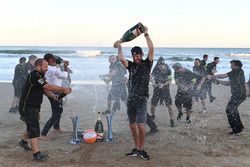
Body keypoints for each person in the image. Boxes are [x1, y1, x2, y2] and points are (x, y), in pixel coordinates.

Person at [18, 58, 72, 161]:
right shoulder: (34, 75)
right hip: (28, 106)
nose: (47, 69)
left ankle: (23, 142)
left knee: (31, 125)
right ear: (38, 66)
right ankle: (37, 155)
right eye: (45, 67)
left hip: (34, 106)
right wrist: (62, 89)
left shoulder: (41, 76)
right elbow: (48, 86)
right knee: (34, 129)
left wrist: (54, 97)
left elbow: (45, 89)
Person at [114, 26, 153, 160]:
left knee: (141, 126)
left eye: (138, 55)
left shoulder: (147, 64)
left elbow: (152, 49)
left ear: (141, 55)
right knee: (132, 126)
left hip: (142, 99)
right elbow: (121, 59)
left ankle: (142, 149)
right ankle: (136, 148)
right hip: (131, 100)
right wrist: (120, 45)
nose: (136, 57)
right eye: (134, 55)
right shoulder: (131, 66)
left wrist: (146, 35)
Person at [41, 53, 69, 139]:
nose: (54, 61)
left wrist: (61, 65)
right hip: (55, 92)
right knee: (56, 112)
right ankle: (43, 134)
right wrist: (65, 67)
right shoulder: (54, 69)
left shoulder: (46, 68)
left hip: (49, 91)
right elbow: (64, 76)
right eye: (53, 59)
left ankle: (56, 128)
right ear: (50, 60)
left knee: (59, 110)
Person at [214, 60, 246, 135]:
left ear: (236, 66)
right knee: (233, 110)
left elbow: (223, 76)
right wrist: (218, 81)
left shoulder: (237, 71)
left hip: (239, 95)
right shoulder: (236, 73)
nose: (230, 66)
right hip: (237, 95)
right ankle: (239, 127)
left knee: (229, 110)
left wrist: (213, 76)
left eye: (232, 65)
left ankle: (236, 130)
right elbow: (228, 83)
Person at [150, 57, 175, 127]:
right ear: (157, 64)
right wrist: (153, 83)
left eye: (162, 64)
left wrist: (163, 85)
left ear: (165, 64)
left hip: (165, 89)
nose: (161, 66)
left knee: (169, 105)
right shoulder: (155, 69)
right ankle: (153, 115)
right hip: (157, 89)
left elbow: (170, 80)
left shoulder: (168, 70)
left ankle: (172, 120)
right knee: (152, 105)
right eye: (159, 64)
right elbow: (151, 77)